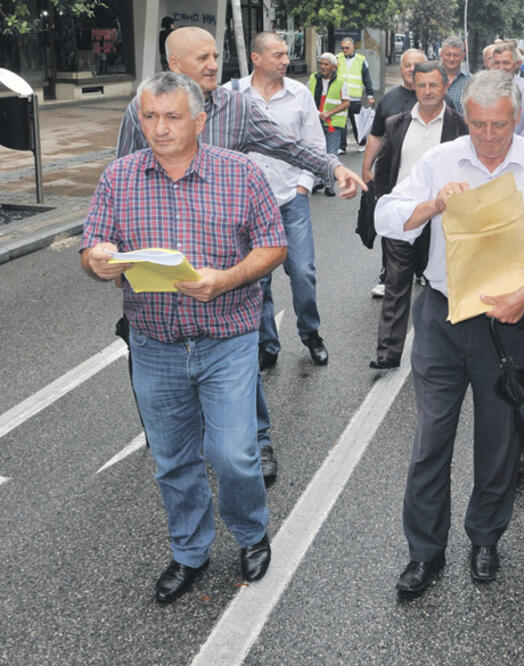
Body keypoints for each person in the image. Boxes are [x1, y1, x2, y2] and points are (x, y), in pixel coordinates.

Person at [116, 26, 365, 488]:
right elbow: (121, 180)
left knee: (235, 352)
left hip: (226, 268)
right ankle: (179, 443)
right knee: (165, 360)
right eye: (202, 58)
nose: (214, 65)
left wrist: (332, 166)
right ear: (175, 66)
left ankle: (258, 441)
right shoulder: (145, 110)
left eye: (216, 55)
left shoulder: (236, 108)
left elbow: (288, 146)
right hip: (163, 268)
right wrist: (116, 255)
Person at [375, 70, 524, 596]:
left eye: (500, 124)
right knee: (430, 442)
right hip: (443, 317)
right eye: (478, 124)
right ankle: (425, 553)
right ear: (464, 117)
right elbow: (387, 215)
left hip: (510, 322)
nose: (489, 135)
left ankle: (486, 537)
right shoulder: (441, 160)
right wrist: (431, 205)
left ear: (518, 118)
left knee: (498, 442)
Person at [81, 72, 287, 604]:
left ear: (199, 119)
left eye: (172, 116)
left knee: (234, 454)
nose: (160, 127)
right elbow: (93, 247)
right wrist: (99, 261)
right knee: (172, 458)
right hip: (154, 344)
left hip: (226, 339)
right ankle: (190, 552)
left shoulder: (240, 174)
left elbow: (272, 247)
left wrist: (225, 279)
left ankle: (250, 534)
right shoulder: (119, 178)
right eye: (149, 116)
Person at [225, 31, 330, 372]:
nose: (286, 60)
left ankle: (310, 332)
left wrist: (304, 185)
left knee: (303, 272)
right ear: (256, 58)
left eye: (287, 54)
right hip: (248, 207)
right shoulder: (232, 95)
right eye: (278, 55)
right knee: (258, 280)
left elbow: (314, 145)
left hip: (290, 200)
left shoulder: (299, 95)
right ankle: (267, 345)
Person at [369, 62, 468, 370]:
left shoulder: (460, 126)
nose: (427, 91)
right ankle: (388, 352)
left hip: (442, 220)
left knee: (442, 287)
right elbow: (385, 167)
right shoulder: (397, 123)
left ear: (444, 88)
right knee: (396, 286)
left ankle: (445, 353)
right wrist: (381, 202)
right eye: (421, 84)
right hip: (405, 217)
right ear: (413, 85)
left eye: (433, 85)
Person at [362, 48, 429, 299]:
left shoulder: (435, 98)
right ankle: (387, 275)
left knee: (426, 226)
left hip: (426, 180)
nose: (412, 70)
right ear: (401, 68)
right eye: (408, 65)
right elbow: (376, 135)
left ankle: (423, 269)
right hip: (392, 177)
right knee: (391, 226)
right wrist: (366, 167)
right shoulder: (388, 100)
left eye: (417, 65)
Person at [491, 42, 524, 137]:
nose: (501, 68)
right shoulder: (483, 88)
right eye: (497, 63)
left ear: (517, 64)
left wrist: (516, 144)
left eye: (506, 63)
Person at [337, 37, 376, 152]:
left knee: (357, 122)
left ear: (353, 47)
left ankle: (361, 143)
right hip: (341, 97)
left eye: (347, 48)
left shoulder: (361, 60)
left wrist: (370, 96)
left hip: (354, 97)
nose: (344, 50)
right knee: (341, 122)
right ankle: (341, 147)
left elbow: (366, 79)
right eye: (343, 48)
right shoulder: (337, 58)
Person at [310, 52, 349, 164]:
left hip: (333, 124)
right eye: (321, 64)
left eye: (326, 64)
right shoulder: (313, 78)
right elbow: (307, 98)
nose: (322, 67)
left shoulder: (341, 81)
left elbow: (346, 103)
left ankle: (329, 181)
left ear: (333, 67)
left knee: (331, 155)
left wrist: (328, 113)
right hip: (316, 121)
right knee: (317, 154)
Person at [440, 36, 469, 114]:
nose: (451, 59)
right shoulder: (431, 77)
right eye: (448, 55)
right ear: (441, 54)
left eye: (456, 55)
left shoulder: (471, 82)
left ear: (463, 56)